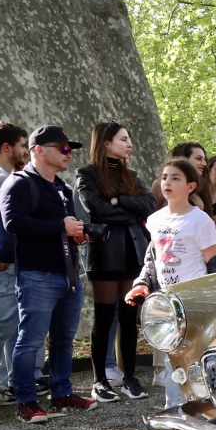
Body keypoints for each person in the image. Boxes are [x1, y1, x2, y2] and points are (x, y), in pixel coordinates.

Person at [0, 126, 98, 422]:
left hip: (68, 274)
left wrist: (77, 234)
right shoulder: (18, 184)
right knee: (30, 340)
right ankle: (26, 402)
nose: (70, 153)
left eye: (71, 148)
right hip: (36, 275)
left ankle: (62, 394)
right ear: (39, 150)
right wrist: (61, 228)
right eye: (63, 148)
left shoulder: (63, 188)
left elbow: (64, 226)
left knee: (64, 339)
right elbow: (13, 223)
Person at [126, 159, 216, 430]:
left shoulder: (199, 220)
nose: (167, 182)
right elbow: (152, 258)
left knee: (197, 358)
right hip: (168, 302)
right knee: (173, 359)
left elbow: (213, 261)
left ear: (191, 186)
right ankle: (175, 418)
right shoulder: (156, 220)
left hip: (194, 299)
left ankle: (209, 413)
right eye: (165, 177)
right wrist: (142, 285)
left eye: (176, 178)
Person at [75, 121, 155, 403]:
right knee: (105, 317)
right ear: (106, 143)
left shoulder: (131, 175)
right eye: (123, 139)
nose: (129, 144)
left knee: (129, 317)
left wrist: (120, 200)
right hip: (106, 253)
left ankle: (130, 378)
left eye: (129, 139)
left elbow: (151, 204)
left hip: (134, 251)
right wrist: (129, 212)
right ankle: (99, 381)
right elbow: (97, 209)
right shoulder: (87, 174)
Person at [0, 121, 29, 406]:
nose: (26, 152)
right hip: (0, 265)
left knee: (9, 327)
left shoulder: (9, 178)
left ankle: (2, 385)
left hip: (11, 264)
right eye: (22, 146)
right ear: (7, 148)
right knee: (0, 326)